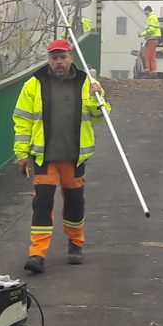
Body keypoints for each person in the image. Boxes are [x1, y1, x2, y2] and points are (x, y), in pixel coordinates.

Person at [12, 39, 110, 273]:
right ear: (49, 59)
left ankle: (76, 243)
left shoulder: (87, 83)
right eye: (54, 58)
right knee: (42, 204)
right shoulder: (34, 84)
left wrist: (97, 99)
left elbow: (101, 116)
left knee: (75, 203)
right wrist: (21, 154)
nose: (58, 62)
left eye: (62, 57)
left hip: (74, 157)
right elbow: (22, 120)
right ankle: (37, 253)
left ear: (70, 58)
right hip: (44, 157)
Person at [138, 5, 161, 77]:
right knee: (152, 55)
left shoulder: (151, 18)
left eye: (145, 11)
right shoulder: (153, 17)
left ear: (148, 11)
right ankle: (153, 71)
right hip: (155, 39)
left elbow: (151, 29)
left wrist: (142, 34)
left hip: (151, 39)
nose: (145, 13)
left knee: (146, 54)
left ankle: (147, 69)